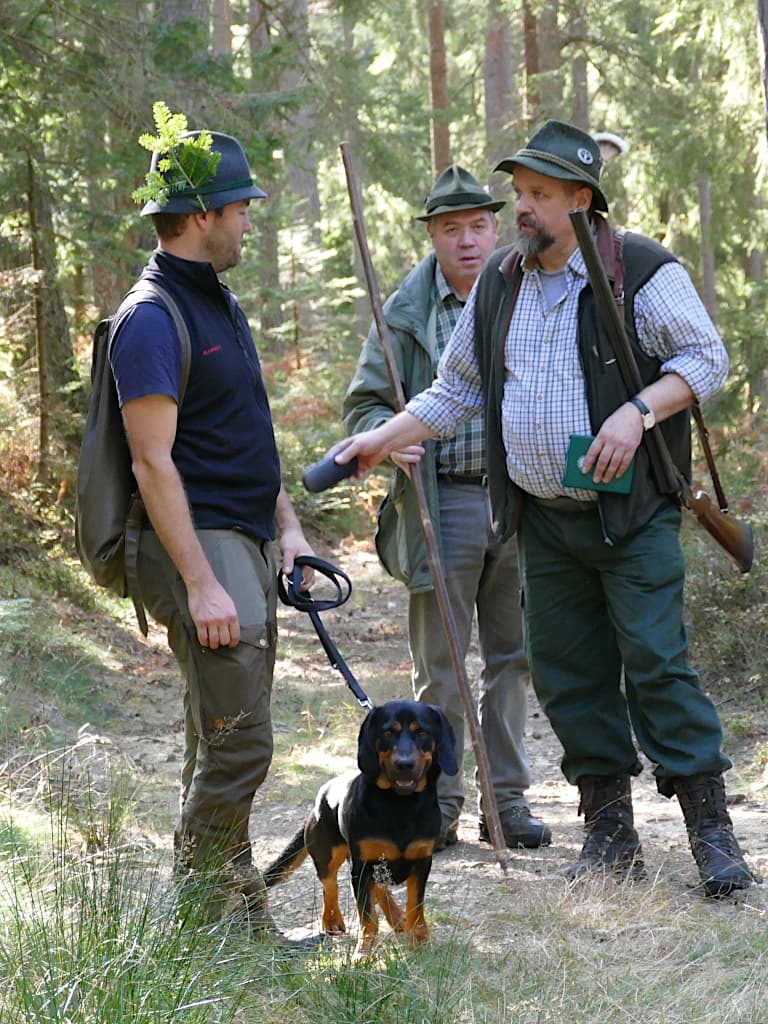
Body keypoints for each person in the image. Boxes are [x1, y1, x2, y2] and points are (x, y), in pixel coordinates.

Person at [334, 119, 753, 898]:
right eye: (520, 192)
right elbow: (454, 389)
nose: (518, 208)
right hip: (543, 521)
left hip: (631, 520)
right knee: (568, 675)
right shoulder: (503, 281)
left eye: (537, 195)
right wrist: (377, 440)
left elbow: (706, 359)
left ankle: (711, 833)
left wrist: (636, 412)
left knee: (657, 665)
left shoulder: (642, 271)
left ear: (581, 199)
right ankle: (609, 835)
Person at [110, 128, 320, 940]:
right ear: (200, 215)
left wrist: (291, 533)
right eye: (239, 209)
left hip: (249, 538)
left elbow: (249, 434)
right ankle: (201, 928)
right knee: (240, 743)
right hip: (200, 545)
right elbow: (152, 463)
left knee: (223, 739)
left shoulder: (219, 302)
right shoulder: (150, 319)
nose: (248, 223)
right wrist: (201, 582)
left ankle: (234, 923)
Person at [343, 166, 550, 852]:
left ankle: (509, 803)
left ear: (495, 229)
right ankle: (444, 802)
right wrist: (392, 438)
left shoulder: (525, 291)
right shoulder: (404, 311)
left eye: (477, 226)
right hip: (443, 501)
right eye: (450, 229)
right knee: (442, 665)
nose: (466, 241)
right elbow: (366, 404)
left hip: (517, 500)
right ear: (432, 235)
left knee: (512, 658)